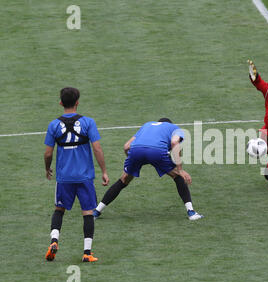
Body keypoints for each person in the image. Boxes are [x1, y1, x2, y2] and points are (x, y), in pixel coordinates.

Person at [92, 118, 203, 221]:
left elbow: (126, 146)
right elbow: (174, 143)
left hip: (136, 151)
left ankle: (96, 212)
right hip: (157, 151)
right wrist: (180, 169)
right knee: (177, 176)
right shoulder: (175, 128)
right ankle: (191, 212)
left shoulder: (147, 125)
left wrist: (133, 162)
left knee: (124, 179)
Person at [44, 87, 109, 262]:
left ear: (60, 103)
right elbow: (97, 148)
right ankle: (87, 253)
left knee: (59, 210)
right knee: (88, 213)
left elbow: (48, 153)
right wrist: (103, 171)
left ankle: (54, 240)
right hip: (85, 176)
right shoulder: (88, 122)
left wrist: (47, 168)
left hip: (64, 177)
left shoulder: (53, 125)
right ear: (78, 102)